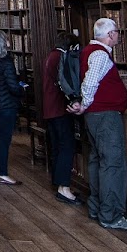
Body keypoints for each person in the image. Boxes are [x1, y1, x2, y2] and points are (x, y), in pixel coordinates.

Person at [69, 18, 127, 230]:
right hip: (105, 116)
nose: (118, 35)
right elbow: (90, 83)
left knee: (98, 161)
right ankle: (111, 215)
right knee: (113, 164)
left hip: (96, 116)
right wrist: (85, 104)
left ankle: (96, 207)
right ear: (110, 35)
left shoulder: (89, 52)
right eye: (117, 32)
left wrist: (85, 106)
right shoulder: (99, 54)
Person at [0, 29, 28, 185]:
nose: (9, 41)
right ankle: (3, 173)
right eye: (6, 39)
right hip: (6, 106)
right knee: (4, 140)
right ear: (2, 43)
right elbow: (13, 87)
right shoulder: (7, 62)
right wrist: (23, 88)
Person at [43, 32, 82, 205]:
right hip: (60, 108)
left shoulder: (51, 55)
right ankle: (63, 187)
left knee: (58, 147)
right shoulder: (61, 57)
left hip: (50, 108)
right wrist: (74, 99)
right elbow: (66, 82)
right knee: (67, 146)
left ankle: (58, 182)